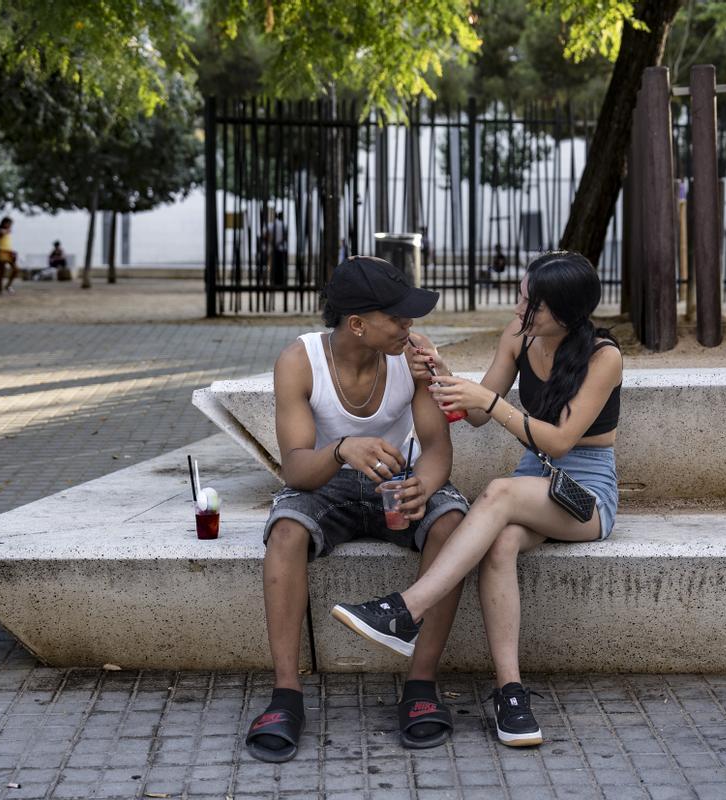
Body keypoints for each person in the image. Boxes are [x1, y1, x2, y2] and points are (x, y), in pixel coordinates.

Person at [331, 250, 623, 748]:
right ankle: (511, 692)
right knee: (502, 539)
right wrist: (443, 374)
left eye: (530, 304)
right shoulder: (518, 337)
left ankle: (407, 609)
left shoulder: (604, 356)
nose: (518, 310)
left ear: (566, 313)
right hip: (533, 485)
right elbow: (479, 414)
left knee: (498, 493)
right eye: (521, 296)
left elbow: (557, 442)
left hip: (586, 492)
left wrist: (489, 401)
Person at [246, 255, 470, 763]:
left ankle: (420, 688)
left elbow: (436, 448)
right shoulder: (299, 361)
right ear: (358, 324)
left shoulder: (410, 356)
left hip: (396, 480)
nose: (410, 326)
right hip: (327, 478)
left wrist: (423, 485)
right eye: (397, 317)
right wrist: (344, 447)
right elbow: (297, 471)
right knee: (285, 530)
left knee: (453, 522)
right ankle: (286, 695)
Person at [0, 217, 18, 294]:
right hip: (2, 251)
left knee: (16, 269)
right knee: (2, 272)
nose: (10, 225)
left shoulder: (7, 231)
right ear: (4, 223)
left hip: (9, 251)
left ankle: (8, 285)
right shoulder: (0, 231)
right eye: (9, 223)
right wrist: (2, 233)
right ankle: (0, 290)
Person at [269, 208, 287, 286]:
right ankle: (281, 281)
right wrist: (279, 243)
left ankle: (275, 281)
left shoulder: (272, 225)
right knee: (281, 266)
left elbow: (267, 235)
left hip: (275, 248)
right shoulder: (283, 225)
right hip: (282, 248)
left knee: (275, 265)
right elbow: (285, 237)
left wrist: (273, 243)